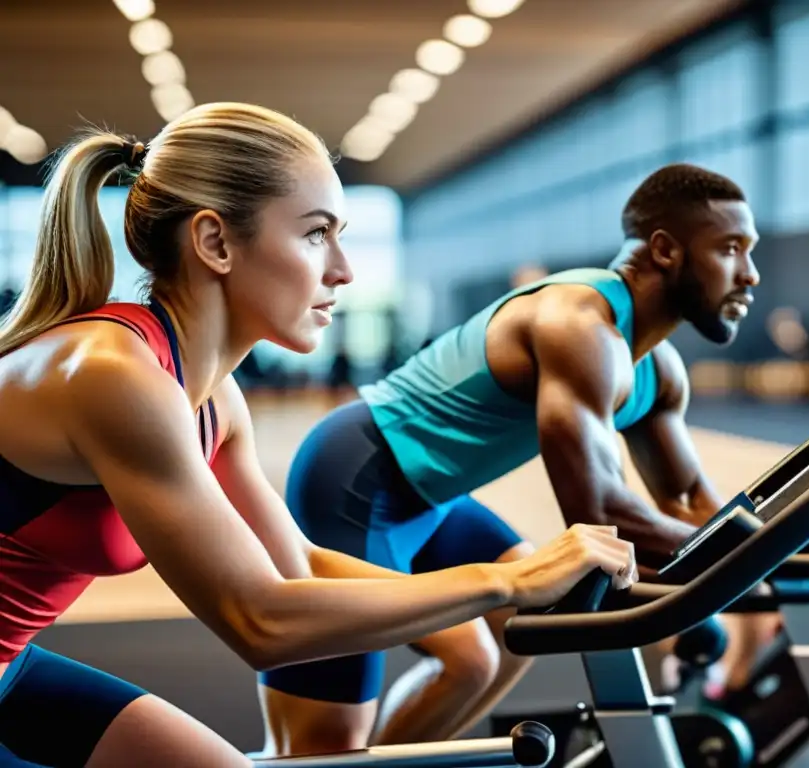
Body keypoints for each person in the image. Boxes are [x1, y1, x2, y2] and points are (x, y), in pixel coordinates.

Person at [0, 102, 638, 768]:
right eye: (315, 234)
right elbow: (260, 620)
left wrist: (499, 591)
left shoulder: (214, 394)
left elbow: (294, 567)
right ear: (215, 243)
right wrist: (505, 584)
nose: (344, 270)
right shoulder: (113, 374)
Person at [258, 163, 767, 757]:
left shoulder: (656, 369)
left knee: (506, 642)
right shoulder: (577, 323)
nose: (750, 274)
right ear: (664, 251)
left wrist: (777, 548)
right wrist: (752, 559)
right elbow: (600, 509)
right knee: (321, 746)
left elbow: (688, 505)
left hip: (434, 498)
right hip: (358, 476)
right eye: (731, 249)